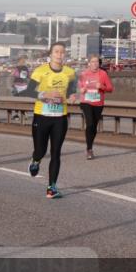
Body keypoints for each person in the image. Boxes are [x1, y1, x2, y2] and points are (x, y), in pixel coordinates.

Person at [27, 42, 79, 198]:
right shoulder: (40, 71)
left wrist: (73, 97)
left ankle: (52, 187)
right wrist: (45, 95)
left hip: (60, 118)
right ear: (50, 54)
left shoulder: (70, 73)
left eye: (62, 52)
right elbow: (29, 91)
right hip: (42, 116)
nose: (59, 54)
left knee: (56, 152)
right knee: (40, 151)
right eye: (56, 51)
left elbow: (71, 92)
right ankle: (35, 161)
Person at [78, 54, 114, 160]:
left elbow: (110, 89)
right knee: (89, 123)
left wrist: (101, 87)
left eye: (97, 62)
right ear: (89, 63)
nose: (95, 64)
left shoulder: (103, 74)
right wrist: (81, 90)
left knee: (93, 126)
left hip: (98, 103)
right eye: (93, 62)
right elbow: (78, 87)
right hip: (86, 102)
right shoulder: (84, 74)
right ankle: (89, 149)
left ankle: (89, 146)